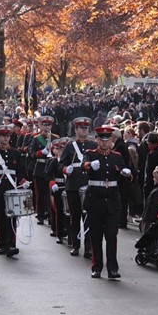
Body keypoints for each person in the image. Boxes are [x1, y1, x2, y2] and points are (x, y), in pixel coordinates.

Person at [82, 127, 131, 279]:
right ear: (97, 140)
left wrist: (126, 173)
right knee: (96, 236)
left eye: (107, 139)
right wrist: (90, 165)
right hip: (95, 200)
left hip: (112, 200)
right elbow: (84, 165)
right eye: (101, 139)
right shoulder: (90, 154)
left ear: (111, 140)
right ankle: (96, 267)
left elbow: (126, 172)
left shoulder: (116, 156)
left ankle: (112, 268)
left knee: (111, 235)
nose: (104, 142)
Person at [59, 117, 96, 258]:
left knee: (89, 218)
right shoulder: (70, 146)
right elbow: (60, 163)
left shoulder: (93, 145)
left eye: (86, 128)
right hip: (73, 185)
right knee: (75, 217)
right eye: (81, 128)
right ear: (76, 129)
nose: (84, 130)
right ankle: (75, 245)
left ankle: (89, 247)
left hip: (89, 184)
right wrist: (65, 169)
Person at [0, 124, 27, 257]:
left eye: (8, 136)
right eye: (3, 136)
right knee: (0, 215)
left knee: (12, 216)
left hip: (12, 188)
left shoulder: (16, 153)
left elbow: (20, 171)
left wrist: (23, 181)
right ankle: (2, 244)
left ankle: (11, 244)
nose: (5, 138)